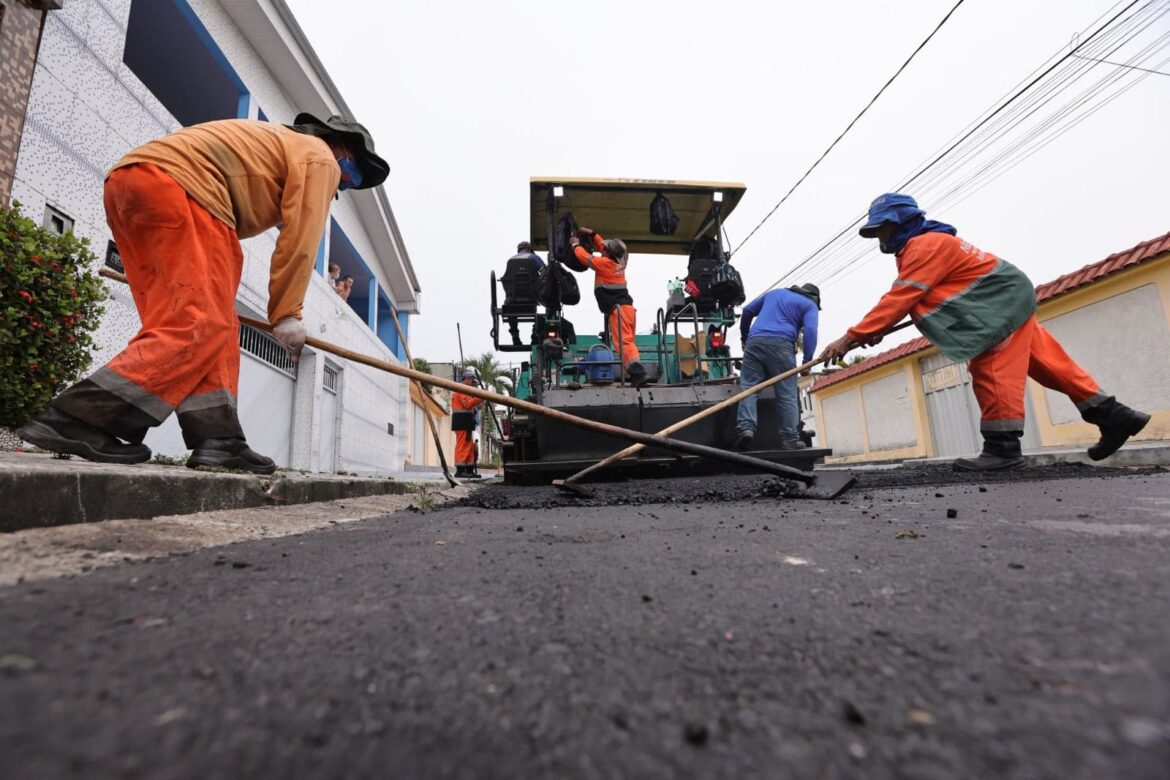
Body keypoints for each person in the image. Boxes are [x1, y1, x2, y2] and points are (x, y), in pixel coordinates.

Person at [17, 113, 389, 474]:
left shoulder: (282, 147)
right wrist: (287, 313)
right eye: (354, 174)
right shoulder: (320, 156)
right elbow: (301, 240)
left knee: (213, 324)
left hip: (131, 185)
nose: (345, 185)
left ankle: (219, 436)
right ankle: (79, 416)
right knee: (201, 322)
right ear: (340, 145)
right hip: (185, 190)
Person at [818, 193, 1150, 471]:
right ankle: (1115, 416)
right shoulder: (930, 243)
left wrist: (851, 338)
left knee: (991, 367)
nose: (880, 237)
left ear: (900, 222)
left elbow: (901, 296)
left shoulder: (923, 246)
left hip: (996, 307)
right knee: (1048, 364)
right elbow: (915, 297)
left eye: (883, 228)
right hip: (1007, 299)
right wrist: (874, 330)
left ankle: (1002, 449)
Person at [734, 283, 820, 451]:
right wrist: (807, 361)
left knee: (748, 389)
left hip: (754, 343)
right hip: (781, 346)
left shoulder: (774, 293)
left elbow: (747, 311)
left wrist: (745, 338)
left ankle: (746, 429)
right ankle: (789, 439)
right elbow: (810, 330)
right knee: (787, 394)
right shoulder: (810, 305)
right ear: (815, 298)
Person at [570, 226, 648, 387]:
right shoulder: (623, 260)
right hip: (628, 310)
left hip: (618, 310)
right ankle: (635, 376)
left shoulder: (604, 264)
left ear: (608, 254)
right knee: (629, 343)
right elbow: (605, 248)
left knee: (623, 343)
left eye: (605, 249)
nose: (602, 249)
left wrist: (575, 245)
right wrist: (593, 234)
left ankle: (638, 374)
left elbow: (584, 257)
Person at [500, 240, 545, 346]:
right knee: (544, 308)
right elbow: (545, 272)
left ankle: (514, 334)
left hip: (513, 298)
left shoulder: (510, 260)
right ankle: (535, 334)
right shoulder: (534, 258)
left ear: (518, 250)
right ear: (529, 249)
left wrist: (509, 294)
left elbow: (505, 279)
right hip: (533, 297)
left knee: (510, 309)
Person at [451, 368, 484, 478]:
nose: (473, 385)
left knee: (469, 446)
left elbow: (472, 406)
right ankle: (460, 470)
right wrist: (479, 398)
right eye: (472, 382)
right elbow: (467, 404)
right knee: (462, 445)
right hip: (461, 421)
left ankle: (469, 470)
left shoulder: (466, 390)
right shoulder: (461, 390)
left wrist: (480, 402)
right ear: (467, 379)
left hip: (467, 421)